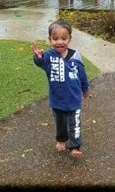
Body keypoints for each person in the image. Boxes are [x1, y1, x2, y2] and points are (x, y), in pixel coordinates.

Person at [31, 19, 89, 158]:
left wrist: (85, 89)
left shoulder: (76, 56)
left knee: (75, 124)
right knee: (60, 123)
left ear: (69, 39)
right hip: (57, 100)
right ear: (50, 39)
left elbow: (82, 75)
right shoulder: (49, 57)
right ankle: (61, 140)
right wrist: (38, 57)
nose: (59, 42)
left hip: (74, 100)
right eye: (55, 39)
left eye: (64, 38)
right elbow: (40, 63)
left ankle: (75, 147)